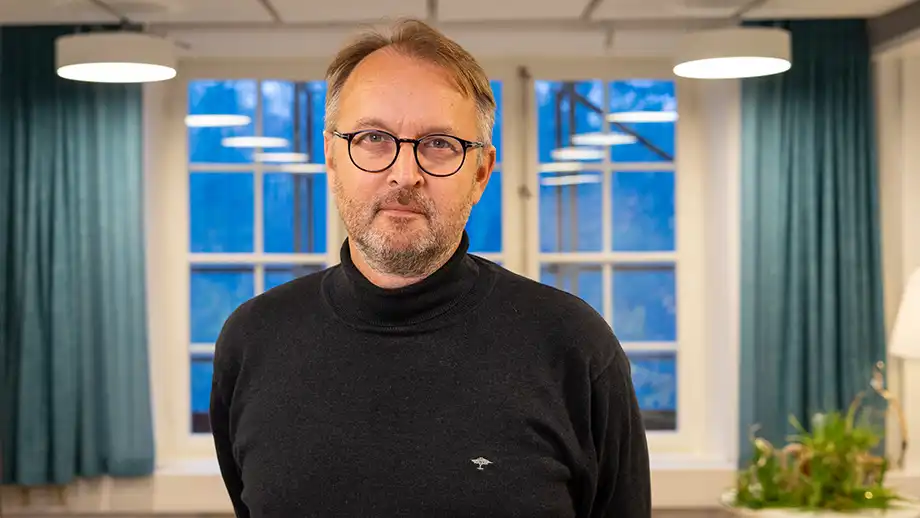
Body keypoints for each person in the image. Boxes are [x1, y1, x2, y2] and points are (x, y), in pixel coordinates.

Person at [209, 18, 651, 518]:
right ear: (332, 158)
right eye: (374, 137)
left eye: (439, 143)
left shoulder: (573, 345)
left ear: (481, 172)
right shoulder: (253, 341)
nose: (404, 173)